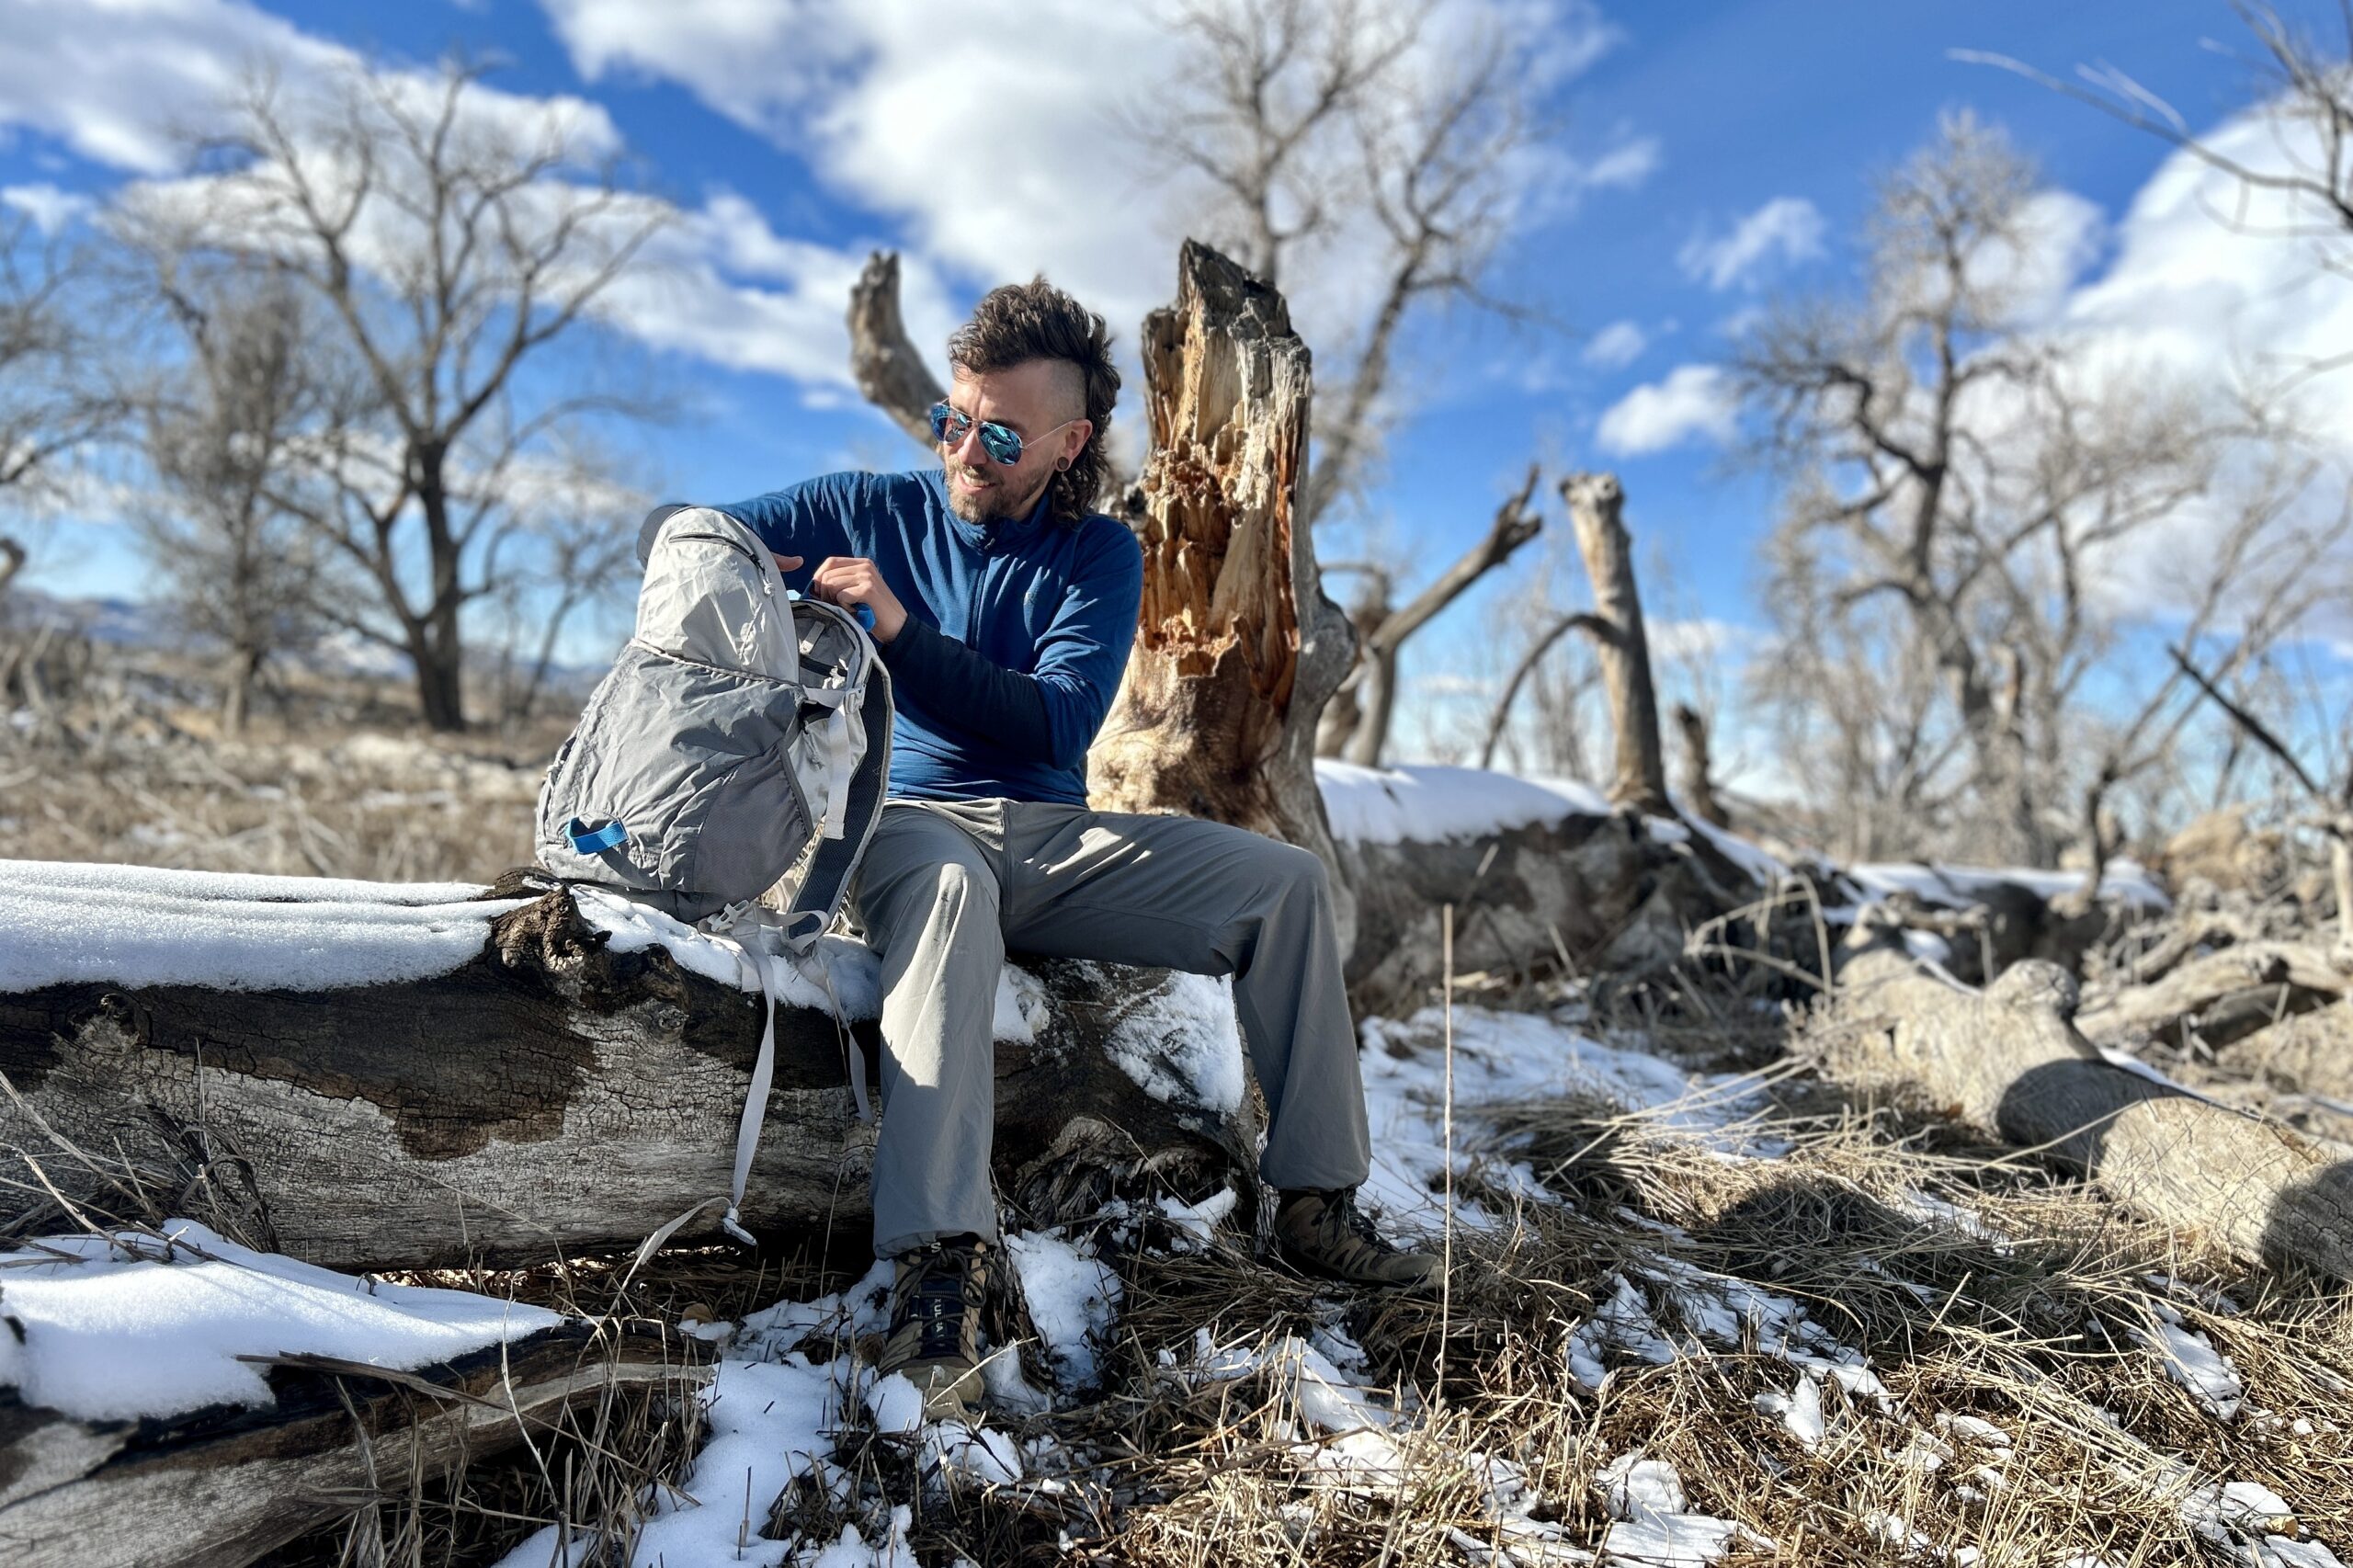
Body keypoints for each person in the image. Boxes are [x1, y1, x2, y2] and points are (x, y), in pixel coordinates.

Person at [707, 277, 1438, 1419]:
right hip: (902, 825)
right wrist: (776, 602)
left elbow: (1053, 722)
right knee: (947, 893)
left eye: (998, 433)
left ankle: (1312, 1205)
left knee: (1286, 885)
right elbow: (687, 535)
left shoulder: (1101, 555)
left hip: (1052, 835)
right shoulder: (867, 503)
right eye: (954, 419)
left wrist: (902, 630)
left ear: (1069, 441)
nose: (966, 449)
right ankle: (941, 1263)